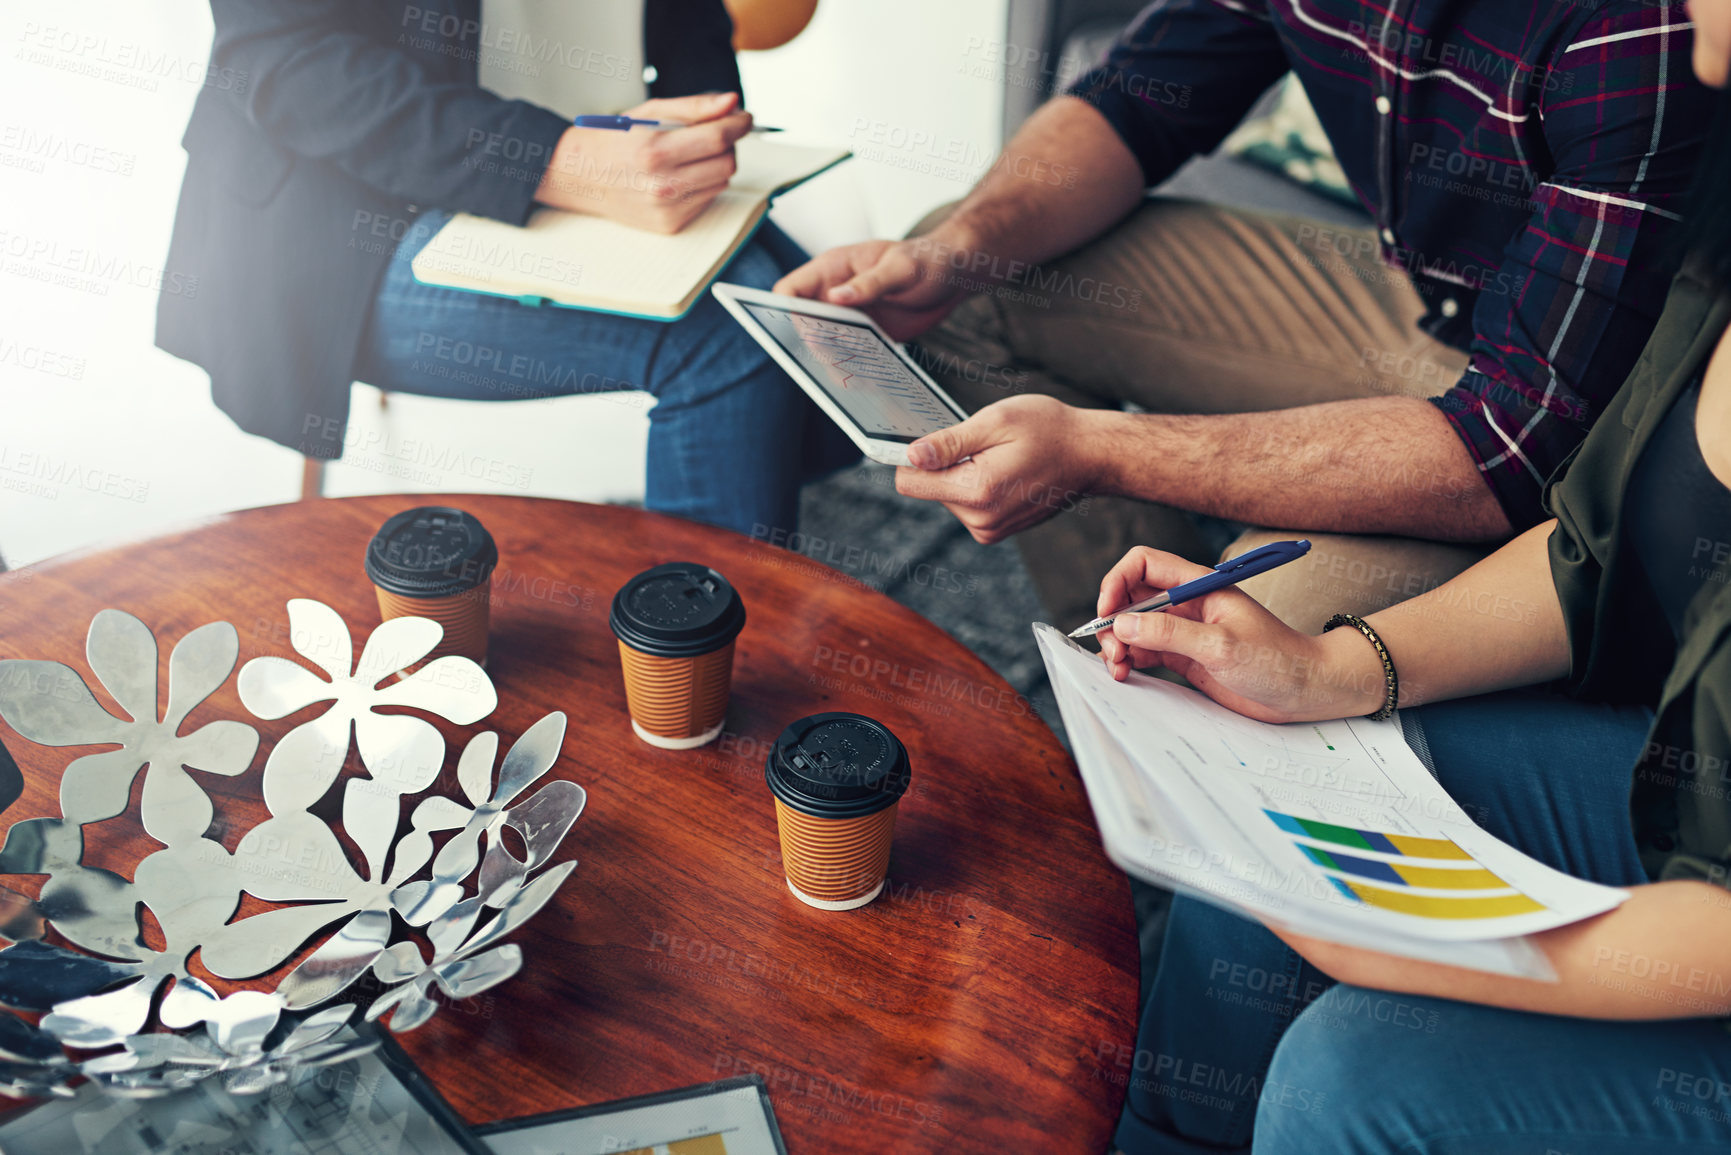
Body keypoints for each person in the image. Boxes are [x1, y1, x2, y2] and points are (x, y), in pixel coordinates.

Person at [1081, 2, 1731, 1147]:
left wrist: (1418, 942)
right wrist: (1328, 670)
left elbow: (1506, 450)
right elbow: (1590, 550)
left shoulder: (1646, 60)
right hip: (1692, 781)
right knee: (1294, 782)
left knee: (1352, 1079)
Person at [779, 0, 1711, 632]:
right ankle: (1126, 640)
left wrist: (1100, 449)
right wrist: (952, 256)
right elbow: (1140, 100)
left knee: (1255, 637)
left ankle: (1196, 688)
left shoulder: (1631, 28)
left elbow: (1510, 446)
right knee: (974, 267)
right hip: (1421, 301)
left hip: (1608, 419)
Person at [157, 0, 852, 538]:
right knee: (735, 332)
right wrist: (553, 161)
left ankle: (724, 617)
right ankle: (685, 677)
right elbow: (283, 60)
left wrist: (696, 141)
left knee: (813, 308)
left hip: (596, 144)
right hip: (341, 210)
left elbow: (683, 21)